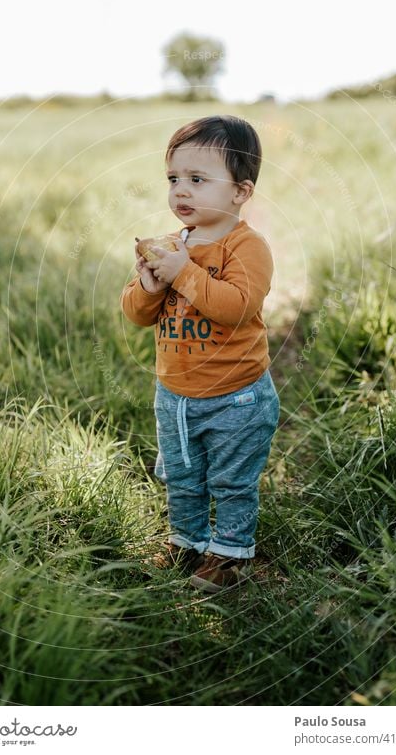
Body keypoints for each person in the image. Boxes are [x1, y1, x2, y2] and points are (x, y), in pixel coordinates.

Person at [120, 114, 280, 593]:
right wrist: (149, 285)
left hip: (237, 398)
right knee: (184, 477)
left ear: (240, 191)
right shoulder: (172, 245)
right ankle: (186, 540)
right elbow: (135, 313)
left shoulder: (246, 248)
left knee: (231, 480)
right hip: (176, 396)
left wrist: (183, 273)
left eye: (197, 180)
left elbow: (236, 307)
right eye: (173, 179)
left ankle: (230, 555)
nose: (180, 192)